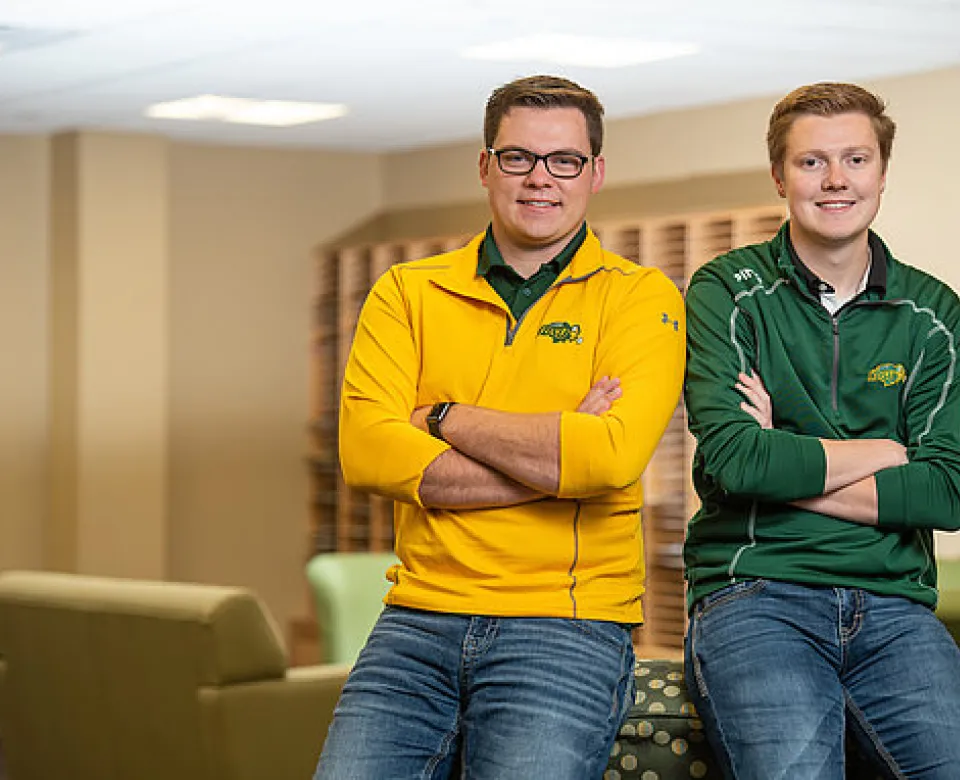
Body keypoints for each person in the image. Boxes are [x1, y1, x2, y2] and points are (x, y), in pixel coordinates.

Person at [313, 75, 685, 779]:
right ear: (485, 166)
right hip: (417, 618)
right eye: (517, 157)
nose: (540, 179)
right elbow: (367, 454)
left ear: (595, 173)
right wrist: (554, 458)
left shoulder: (641, 298)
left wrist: (443, 418)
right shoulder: (407, 292)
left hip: (565, 626)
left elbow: (607, 460)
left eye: (564, 160)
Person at [683, 81, 960, 779]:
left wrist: (785, 460)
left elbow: (947, 492)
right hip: (755, 593)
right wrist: (886, 452)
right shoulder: (728, 290)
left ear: (882, 173)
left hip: (896, 602)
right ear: (779, 176)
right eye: (812, 163)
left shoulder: (933, 313)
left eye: (856, 160)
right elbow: (737, 464)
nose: (836, 180)